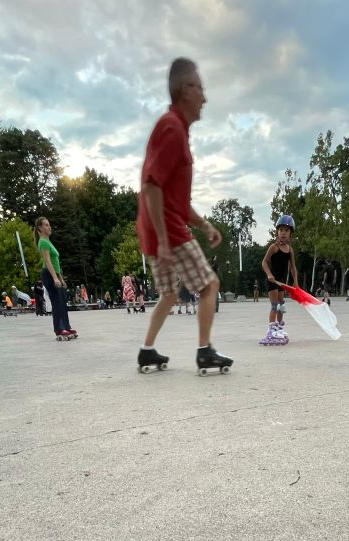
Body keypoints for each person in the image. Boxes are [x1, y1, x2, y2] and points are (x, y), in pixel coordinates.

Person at [136, 58, 230, 374]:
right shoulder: (172, 127)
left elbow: (178, 201)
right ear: (186, 90)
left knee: (169, 294)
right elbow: (151, 186)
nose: (205, 97)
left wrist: (205, 225)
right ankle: (205, 351)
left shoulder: (177, 131)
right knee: (208, 285)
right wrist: (164, 240)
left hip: (156, 229)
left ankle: (146, 351)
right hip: (167, 231)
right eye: (201, 89)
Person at [34, 217, 77, 340]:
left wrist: (60, 278)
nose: (49, 227)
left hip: (55, 274)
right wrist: (54, 278)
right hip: (48, 274)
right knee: (56, 302)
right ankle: (59, 329)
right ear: (40, 228)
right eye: (46, 225)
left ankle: (66, 327)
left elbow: (56, 262)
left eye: (49, 224)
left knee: (63, 301)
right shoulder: (42, 242)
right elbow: (47, 261)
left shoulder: (48, 241)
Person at [260, 214, 299, 345]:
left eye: (286, 230)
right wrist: (269, 274)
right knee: (274, 305)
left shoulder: (290, 250)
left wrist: (296, 283)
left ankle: (279, 329)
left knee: (282, 306)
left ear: (290, 234)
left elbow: (293, 267)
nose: (283, 233)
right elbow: (264, 262)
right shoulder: (274, 247)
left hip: (281, 282)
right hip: (272, 281)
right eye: (281, 230)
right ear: (277, 231)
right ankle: (271, 331)